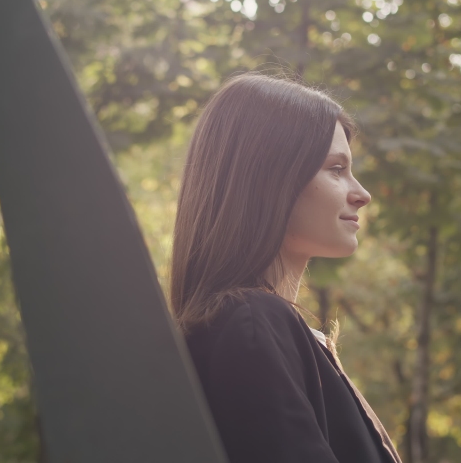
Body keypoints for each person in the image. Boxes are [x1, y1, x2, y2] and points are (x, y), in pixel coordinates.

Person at [170, 73, 402, 463]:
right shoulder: (253, 324)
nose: (361, 194)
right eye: (336, 169)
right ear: (269, 179)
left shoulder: (262, 328)